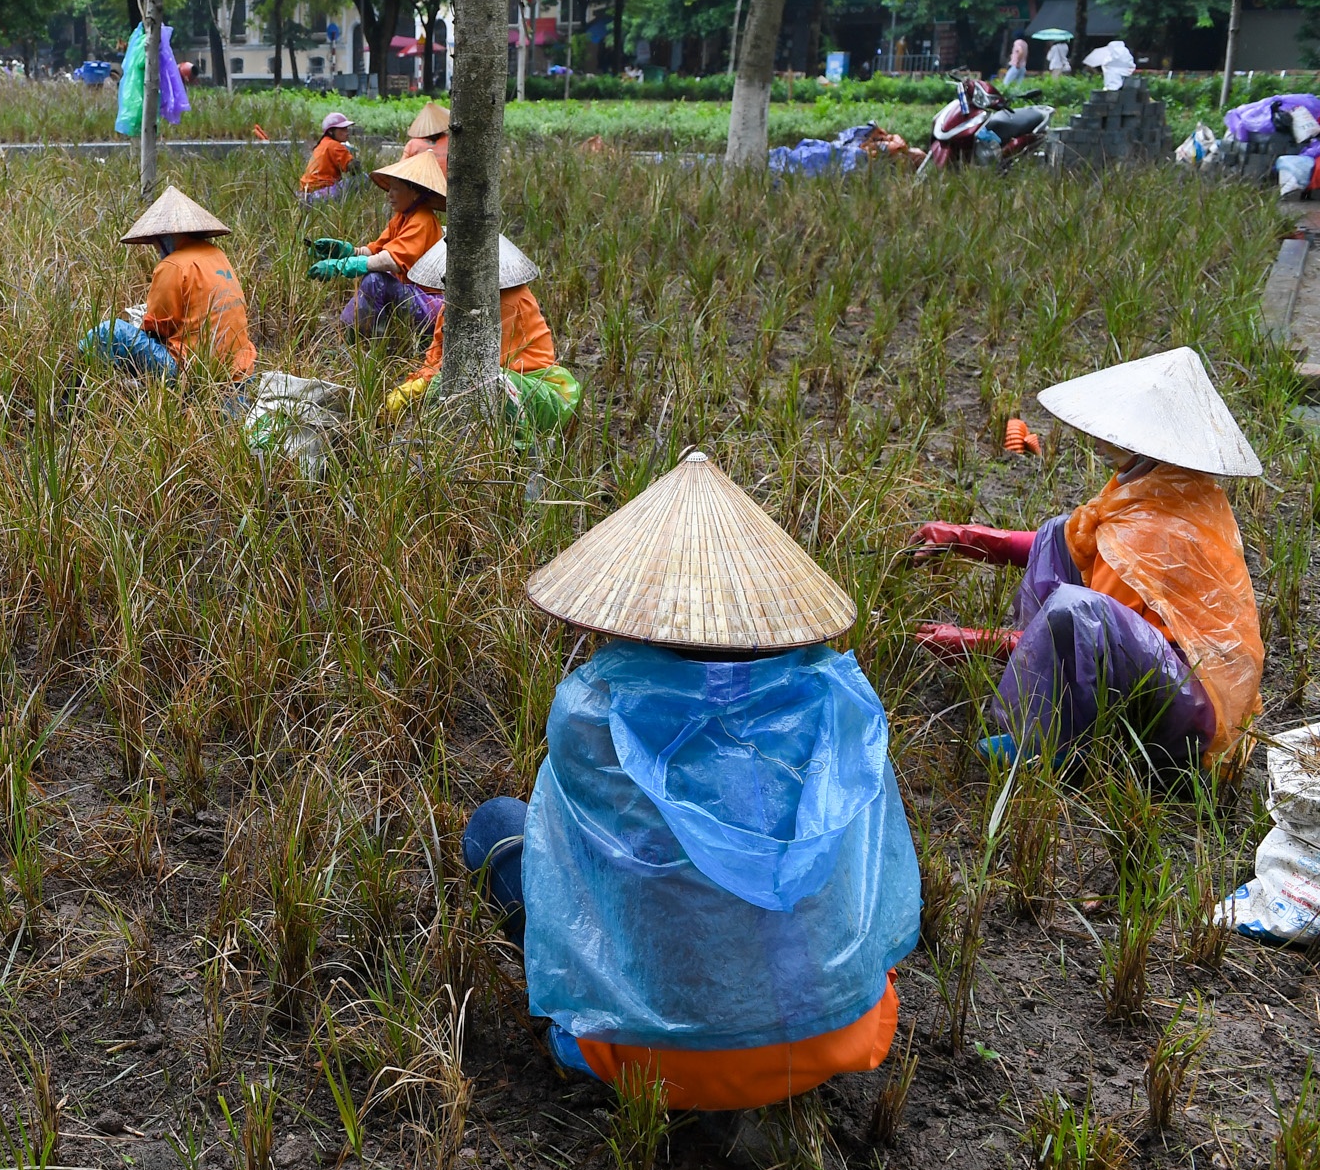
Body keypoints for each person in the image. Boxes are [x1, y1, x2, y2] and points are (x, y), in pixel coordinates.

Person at [462, 450, 918, 1109]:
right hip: (831, 1035)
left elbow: (572, 878)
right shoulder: (833, 703)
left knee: (497, 830)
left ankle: (634, 1055)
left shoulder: (592, 714)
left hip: (654, 1063)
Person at [911, 346, 1263, 772]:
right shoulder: (1162, 483)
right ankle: (1061, 706)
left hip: (1186, 720)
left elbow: (1089, 631)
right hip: (1169, 674)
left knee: (1077, 610)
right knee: (1064, 533)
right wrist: (963, 538)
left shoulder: (1153, 531)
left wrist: (966, 642)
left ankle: (1060, 743)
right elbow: (1071, 539)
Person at [385, 234, 580, 433]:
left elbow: (482, 365)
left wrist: (426, 386)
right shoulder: (455, 302)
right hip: (489, 386)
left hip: (532, 390)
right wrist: (414, 385)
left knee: (480, 383)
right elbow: (437, 354)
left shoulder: (509, 301)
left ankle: (522, 452)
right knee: (443, 386)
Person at [80, 186, 257, 384]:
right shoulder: (217, 255)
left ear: (164, 237)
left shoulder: (173, 265)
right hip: (238, 371)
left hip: (193, 373)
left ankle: (68, 397)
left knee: (109, 332)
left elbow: (157, 327)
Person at [307, 150, 446, 336]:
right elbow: (375, 250)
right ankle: (355, 336)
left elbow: (390, 260)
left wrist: (342, 266)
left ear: (414, 192)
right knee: (374, 275)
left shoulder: (423, 220)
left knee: (375, 280)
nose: (389, 194)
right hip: (412, 296)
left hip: (430, 305)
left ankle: (365, 340)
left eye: (395, 188)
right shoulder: (403, 217)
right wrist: (345, 251)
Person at [299, 113, 359, 203]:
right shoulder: (334, 145)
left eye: (346, 128)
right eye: (342, 129)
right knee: (362, 178)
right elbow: (354, 167)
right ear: (331, 131)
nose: (347, 132)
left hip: (306, 195)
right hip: (321, 193)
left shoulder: (323, 144)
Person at [403, 101, 450, 171]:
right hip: (445, 181)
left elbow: (402, 168)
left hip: (420, 181)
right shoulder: (450, 140)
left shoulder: (413, 144)